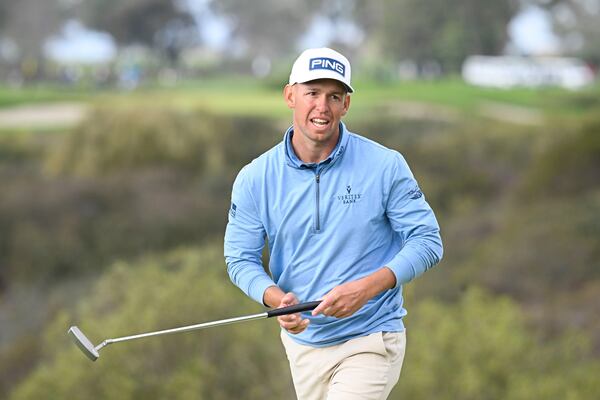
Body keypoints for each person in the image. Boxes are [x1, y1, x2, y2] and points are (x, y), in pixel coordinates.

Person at [224, 47, 443, 400]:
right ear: (290, 95)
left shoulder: (385, 165)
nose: (322, 107)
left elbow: (427, 241)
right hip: (303, 344)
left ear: (346, 105)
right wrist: (276, 299)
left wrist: (367, 288)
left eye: (334, 96)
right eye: (312, 93)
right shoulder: (255, 178)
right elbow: (240, 259)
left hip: (370, 336)